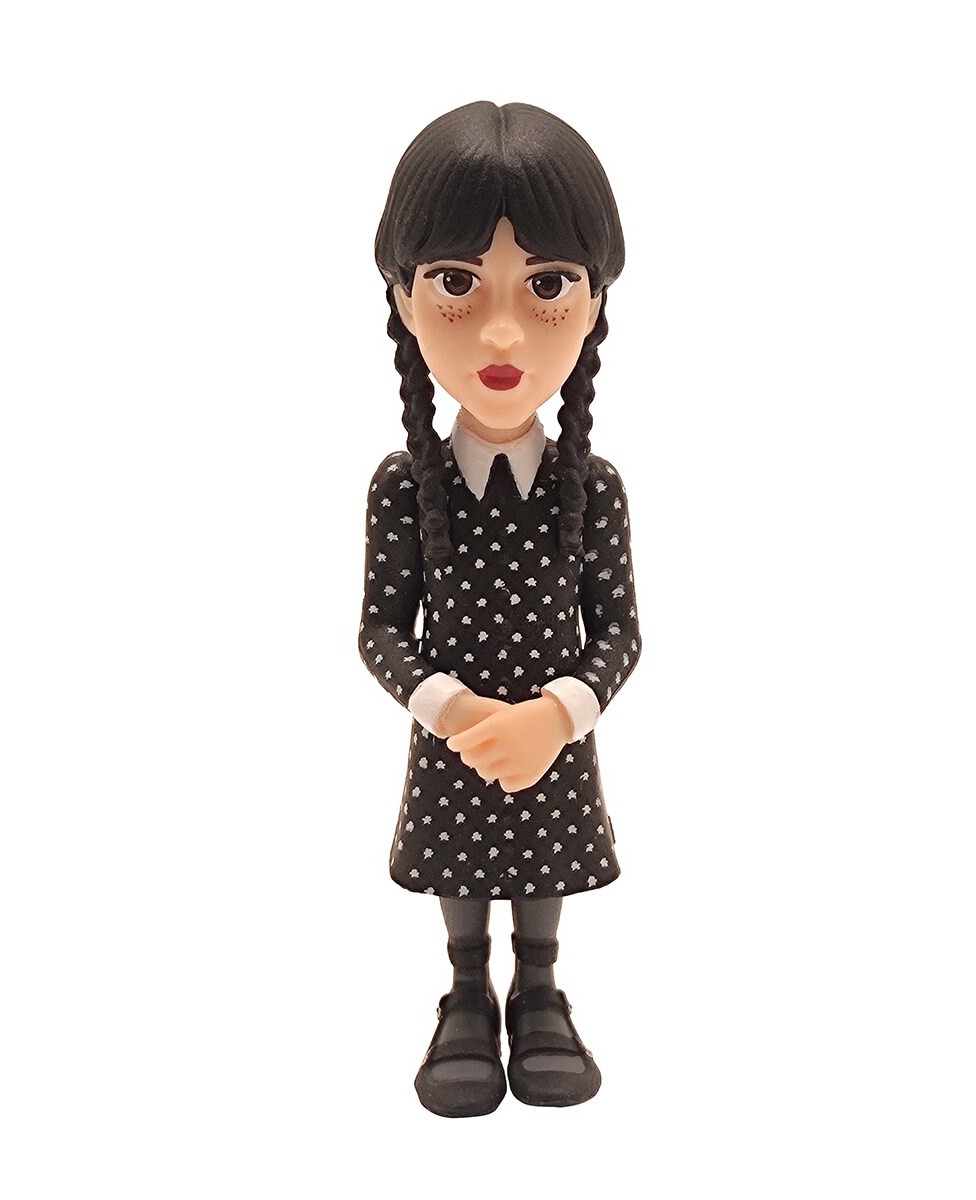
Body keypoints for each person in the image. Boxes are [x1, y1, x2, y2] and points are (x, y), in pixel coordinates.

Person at [361, 101, 641, 1116]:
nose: (504, 331)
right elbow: (379, 630)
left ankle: (542, 991)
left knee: (544, 857)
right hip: (460, 735)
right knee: (461, 858)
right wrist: (453, 710)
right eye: (456, 283)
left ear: (595, 300)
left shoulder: (590, 488)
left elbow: (620, 632)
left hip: (550, 736)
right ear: (404, 297)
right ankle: (467, 995)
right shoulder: (406, 487)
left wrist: (558, 716)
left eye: (548, 285)